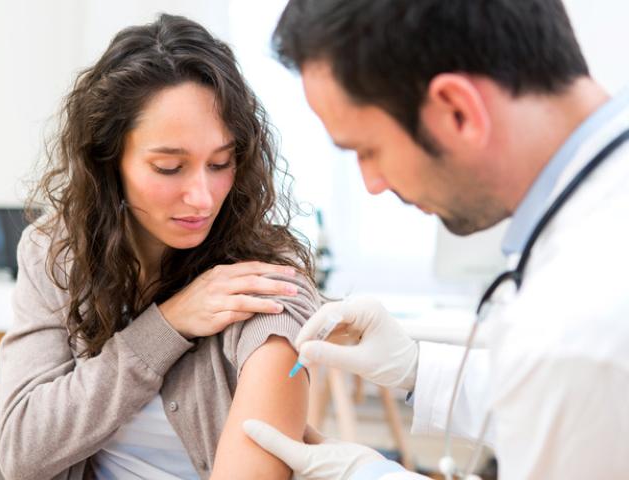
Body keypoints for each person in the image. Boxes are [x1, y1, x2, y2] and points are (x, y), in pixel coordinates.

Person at [243, 0, 629, 479]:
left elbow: (570, 375)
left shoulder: (574, 329)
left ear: (458, 111)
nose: (372, 183)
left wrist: (374, 475)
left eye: (368, 150)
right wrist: (417, 368)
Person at [0, 14, 320, 480]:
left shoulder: (262, 277)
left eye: (221, 163)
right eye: (169, 167)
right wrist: (167, 326)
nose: (203, 197)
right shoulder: (56, 253)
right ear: (109, 162)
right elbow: (23, 452)